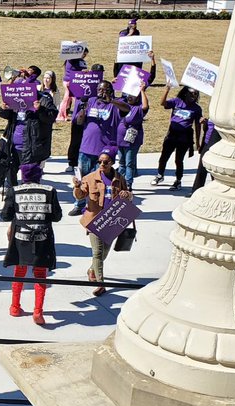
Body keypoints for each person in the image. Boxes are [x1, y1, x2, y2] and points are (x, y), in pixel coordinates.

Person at [1, 163, 62, 325]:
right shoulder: (49, 191)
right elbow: (57, 216)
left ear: (23, 176)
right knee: (40, 274)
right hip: (42, 238)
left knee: (19, 270)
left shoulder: (14, 191)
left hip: (21, 238)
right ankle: (38, 311)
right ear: (38, 176)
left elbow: (5, 215)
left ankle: (14, 307)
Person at [73, 147, 132, 297]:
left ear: (112, 162)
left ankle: (92, 270)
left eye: (105, 162)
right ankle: (100, 284)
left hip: (111, 221)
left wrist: (126, 195)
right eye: (100, 162)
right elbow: (80, 196)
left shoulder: (119, 178)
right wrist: (77, 186)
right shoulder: (90, 178)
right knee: (97, 253)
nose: (102, 164)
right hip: (95, 220)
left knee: (104, 253)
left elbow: (129, 196)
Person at [72, 79, 126, 215]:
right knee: (82, 178)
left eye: (105, 90)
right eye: (100, 90)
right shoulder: (91, 101)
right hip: (86, 148)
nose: (102, 92)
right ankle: (79, 204)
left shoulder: (115, 105)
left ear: (111, 91)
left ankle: (96, 207)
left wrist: (111, 100)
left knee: (99, 181)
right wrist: (83, 111)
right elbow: (79, 122)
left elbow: (127, 109)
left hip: (103, 152)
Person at [152, 86, 203, 191]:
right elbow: (163, 103)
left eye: (196, 94)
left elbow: (198, 126)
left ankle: (178, 180)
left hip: (184, 136)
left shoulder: (197, 109)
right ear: (185, 93)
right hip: (172, 134)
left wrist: (198, 142)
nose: (194, 96)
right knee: (164, 157)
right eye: (192, 93)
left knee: (179, 160)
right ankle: (160, 175)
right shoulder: (177, 101)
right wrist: (166, 90)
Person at [116, 84, 150, 189]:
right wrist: (115, 85)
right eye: (129, 95)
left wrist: (142, 90)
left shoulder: (138, 109)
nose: (130, 97)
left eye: (133, 95)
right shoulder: (123, 105)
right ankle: (120, 183)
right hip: (120, 139)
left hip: (132, 141)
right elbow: (112, 100)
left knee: (129, 163)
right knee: (121, 163)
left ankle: (128, 183)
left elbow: (145, 106)